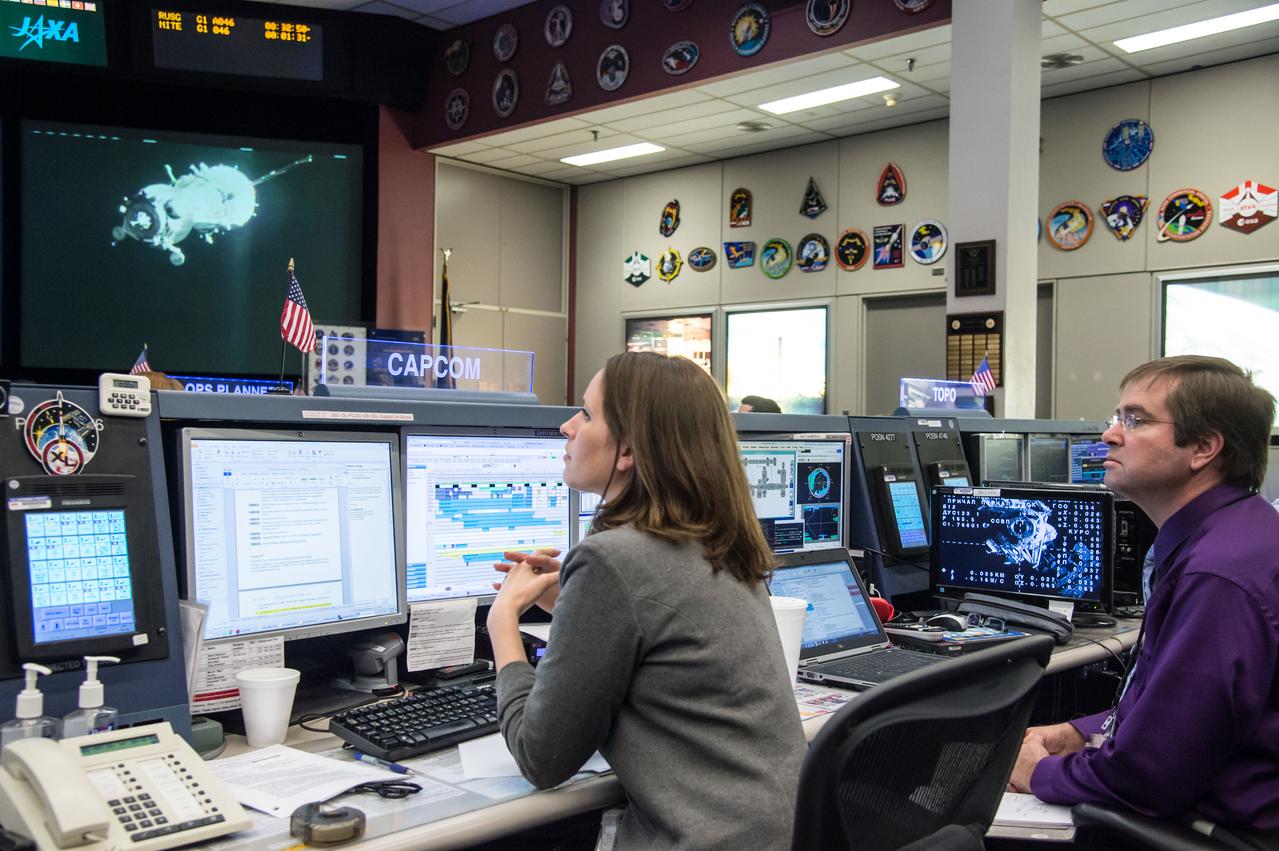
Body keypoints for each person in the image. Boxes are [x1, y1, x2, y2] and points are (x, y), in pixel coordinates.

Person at [486, 352, 805, 849]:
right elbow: (661, 632)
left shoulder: (613, 560)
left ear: (629, 450)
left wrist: (504, 621)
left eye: (587, 415)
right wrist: (572, 604)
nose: (568, 427)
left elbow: (541, 758)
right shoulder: (721, 541)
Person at [1009, 356, 1279, 839]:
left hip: (1215, 826)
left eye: (1135, 420)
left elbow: (1150, 777)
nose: (1111, 435)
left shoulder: (1217, 575)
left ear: (1203, 447)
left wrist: (1036, 773)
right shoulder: (1238, 534)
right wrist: (1081, 730)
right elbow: (1183, 706)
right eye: (1116, 417)